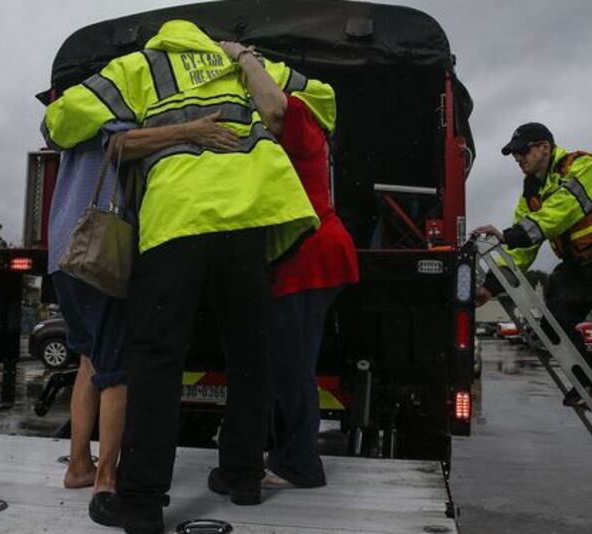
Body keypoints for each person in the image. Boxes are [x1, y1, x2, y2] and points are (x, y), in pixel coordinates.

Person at [42, 20, 327, 533]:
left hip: (176, 222)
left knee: (155, 359)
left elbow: (58, 124)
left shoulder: (139, 67)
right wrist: (244, 60)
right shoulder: (243, 62)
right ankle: (242, 477)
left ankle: (142, 502)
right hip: (248, 222)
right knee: (248, 355)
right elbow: (323, 101)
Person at [45, 115, 239, 495]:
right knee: (118, 370)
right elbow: (123, 145)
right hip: (101, 251)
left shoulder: (67, 118)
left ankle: (80, 466)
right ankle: (107, 479)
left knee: (90, 359)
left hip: (61, 254)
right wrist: (191, 130)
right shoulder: (111, 111)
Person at [217, 41, 358, 489]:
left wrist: (242, 58)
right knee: (287, 363)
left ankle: (301, 463)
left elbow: (275, 109)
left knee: (291, 365)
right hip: (308, 257)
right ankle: (286, 454)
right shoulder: (304, 131)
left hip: (309, 258)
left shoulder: (302, 116)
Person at [472, 122, 592, 462]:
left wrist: (507, 235)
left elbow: (562, 211)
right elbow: (521, 253)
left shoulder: (583, 166)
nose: (518, 158)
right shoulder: (530, 193)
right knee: (549, 320)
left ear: (544, 147)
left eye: (522, 151)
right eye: (514, 153)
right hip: (582, 269)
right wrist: (489, 288)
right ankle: (587, 381)